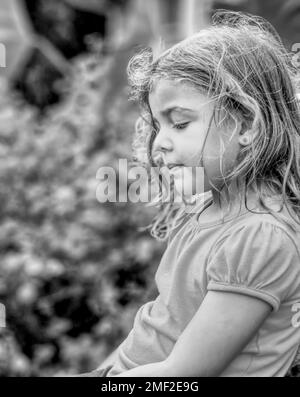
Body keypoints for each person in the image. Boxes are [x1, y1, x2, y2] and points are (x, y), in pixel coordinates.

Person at [94, 10, 300, 377]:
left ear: (247, 124)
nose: (161, 143)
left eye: (181, 122)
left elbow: (185, 374)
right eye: (158, 125)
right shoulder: (209, 209)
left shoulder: (259, 237)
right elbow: (160, 326)